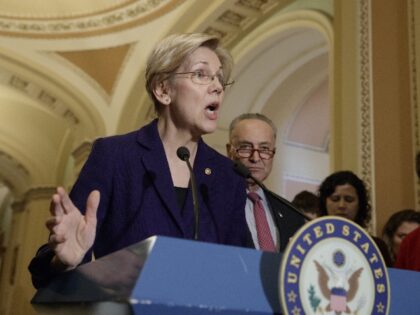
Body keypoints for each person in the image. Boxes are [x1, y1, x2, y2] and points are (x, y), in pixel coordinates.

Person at [28, 33, 251, 288]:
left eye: (219, 77)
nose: (218, 87)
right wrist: (64, 261)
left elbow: (240, 269)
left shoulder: (229, 176)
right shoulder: (114, 156)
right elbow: (52, 261)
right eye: (201, 74)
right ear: (163, 90)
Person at [226, 113, 306, 253]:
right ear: (229, 151)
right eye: (245, 147)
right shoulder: (213, 202)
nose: (255, 158)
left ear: (273, 153)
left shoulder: (291, 213)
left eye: (264, 149)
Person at [318, 170, 393, 267]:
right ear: (324, 203)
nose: (342, 205)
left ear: (360, 205)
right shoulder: (311, 242)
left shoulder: (376, 247)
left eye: (349, 200)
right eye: (335, 199)